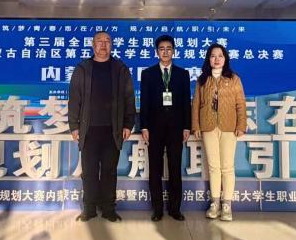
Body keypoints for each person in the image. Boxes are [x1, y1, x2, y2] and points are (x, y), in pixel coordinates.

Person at [68, 31, 135, 222]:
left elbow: (129, 98)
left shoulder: (120, 69)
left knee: (109, 171)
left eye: (107, 41)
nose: (103, 44)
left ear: (111, 45)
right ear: (93, 45)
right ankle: (89, 209)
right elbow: (74, 99)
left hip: (113, 130)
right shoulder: (82, 68)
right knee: (89, 172)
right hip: (88, 130)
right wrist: (74, 126)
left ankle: (108, 209)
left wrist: (128, 123)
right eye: (99, 41)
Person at [191, 43, 246, 222]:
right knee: (213, 167)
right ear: (208, 59)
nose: (216, 59)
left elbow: (240, 103)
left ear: (225, 59)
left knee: (227, 167)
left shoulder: (234, 79)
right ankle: (214, 203)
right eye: (213, 56)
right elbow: (196, 104)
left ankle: (227, 205)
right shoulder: (202, 80)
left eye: (220, 56)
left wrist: (241, 125)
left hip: (229, 127)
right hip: (208, 127)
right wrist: (196, 126)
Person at [139, 35, 191, 222]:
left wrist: (187, 126)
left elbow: (186, 102)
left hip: (176, 128)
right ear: (157, 52)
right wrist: (144, 126)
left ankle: (175, 209)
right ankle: (157, 209)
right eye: (162, 49)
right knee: (155, 169)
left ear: (174, 51)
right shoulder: (148, 74)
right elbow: (144, 102)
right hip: (154, 128)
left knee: (175, 167)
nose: (165, 52)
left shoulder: (183, 74)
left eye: (169, 48)